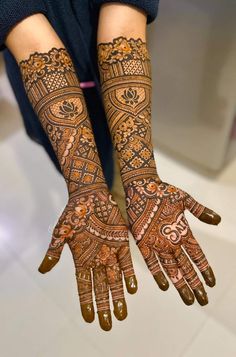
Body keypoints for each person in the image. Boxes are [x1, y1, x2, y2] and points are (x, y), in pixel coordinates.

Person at [0, 1, 221, 332]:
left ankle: (122, 203)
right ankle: (110, 198)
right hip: (47, 104)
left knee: (115, 173)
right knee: (86, 171)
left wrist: (141, 176)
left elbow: (123, 24)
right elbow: (29, 37)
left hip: (111, 92)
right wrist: (86, 187)